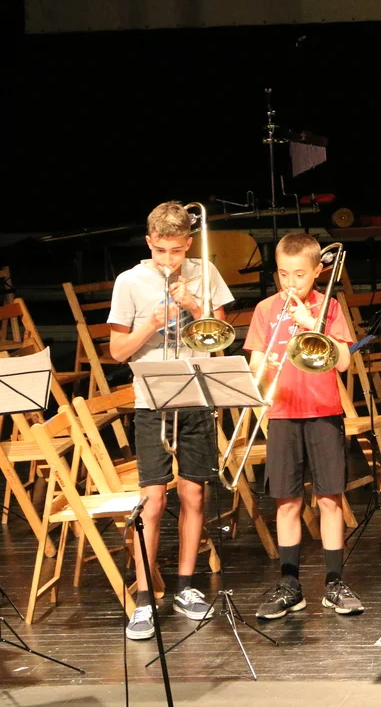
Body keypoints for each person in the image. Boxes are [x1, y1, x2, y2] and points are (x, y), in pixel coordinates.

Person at [108, 200, 234, 640]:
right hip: (151, 401)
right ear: (149, 243)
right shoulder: (130, 281)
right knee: (154, 501)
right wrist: (150, 325)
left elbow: (220, 338)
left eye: (177, 251)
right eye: (161, 250)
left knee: (194, 494)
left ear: (188, 244)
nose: (168, 260)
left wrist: (195, 306)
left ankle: (185, 586)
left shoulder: (204, 272)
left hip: (196, 396)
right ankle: (145, 598)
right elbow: (117, 352)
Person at [244, 233, 364, 619]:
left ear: (316, 272)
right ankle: (289, 584)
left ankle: (334, 582)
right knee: (287, 500)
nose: (291, 283)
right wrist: (263, 369)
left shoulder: (329, 307)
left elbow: (343, 362)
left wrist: (314, 324)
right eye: (283, 274)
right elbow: (255, 367)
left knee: (330, 498)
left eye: (299, 275)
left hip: (323, 411)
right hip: (282, 413)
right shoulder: (265, 309)